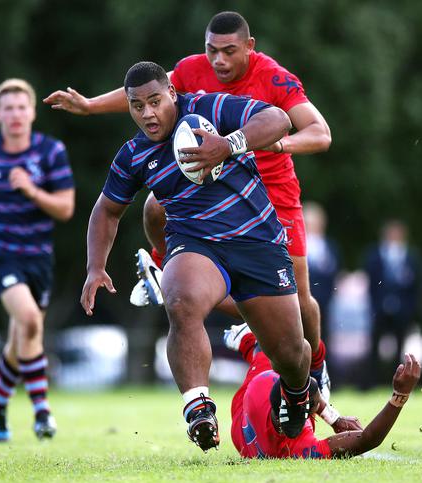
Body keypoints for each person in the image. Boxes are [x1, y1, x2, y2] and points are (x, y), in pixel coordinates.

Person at [44, 11, 333, 398]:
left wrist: (270, 144)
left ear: (249, 47)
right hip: (208, 188)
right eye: (212, 51)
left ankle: (316, 367)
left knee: (297, 298)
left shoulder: (273, 77)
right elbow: (149, 94)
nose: (219, 61)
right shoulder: (188, 72)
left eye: (229, 52)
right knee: (155, 206)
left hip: (270, 191)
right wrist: (92, 105)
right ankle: (171, 267)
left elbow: (320, 133)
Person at [80, 61, 313, 452]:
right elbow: (106, 209)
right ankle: (198, 407)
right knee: (180, 298)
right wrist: (95, 267)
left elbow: (278, 118)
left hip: (258, 242)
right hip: (196, 243)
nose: (148, 114)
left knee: (292, 352)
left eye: (155, 101)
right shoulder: (134, 154)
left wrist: (227, 144)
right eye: (137, 106)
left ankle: (297, 392)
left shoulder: (210, 108)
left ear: (172, 92)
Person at [0, 78, 75, 442]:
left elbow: (66, 208)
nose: (15, 114)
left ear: (33, 112)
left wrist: (32, 190)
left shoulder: (50, 152)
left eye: (22, 107)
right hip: (0, 254)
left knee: (19, 338)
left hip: (38, 257)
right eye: (8, 108)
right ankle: (42, 411)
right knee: (28, 321)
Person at [224, 323, 420, 459]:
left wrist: (334, 418)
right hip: (252, 421)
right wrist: (400, 396)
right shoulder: (303, 449)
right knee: (298, 341)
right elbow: (367, 439)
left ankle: (247, 340)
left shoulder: (263, 382)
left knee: (271, 345)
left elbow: (308, 388)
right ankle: (251, 339)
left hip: (242, 416)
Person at [363, 220, 418, 388]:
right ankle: (371, 382)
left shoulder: (410, 256)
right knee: (374, 345)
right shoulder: (375, 254)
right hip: (379, 308)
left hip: (401, 309)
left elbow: (414, 286)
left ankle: (395, 382)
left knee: (400, 346)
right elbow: (371, 282)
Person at [303, 201, 340, 341]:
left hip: (324, 302)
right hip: (301, 299)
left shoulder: (330, 246)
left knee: (322, 337)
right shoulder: (294, 244)